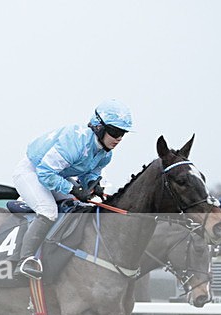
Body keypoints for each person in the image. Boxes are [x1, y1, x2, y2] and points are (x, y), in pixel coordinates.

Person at [12, 99, 133, 279]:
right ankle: (25, 260)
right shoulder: (75, 142)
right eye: (115, 132)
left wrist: (93, 185)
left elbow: (90, 173)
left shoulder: (105, 154)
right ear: (99, 127)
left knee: (81, 205)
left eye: (123, 133)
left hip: (57, 175)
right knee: (48, 211)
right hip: (31, 172)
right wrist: (74, 189)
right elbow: (45, 173)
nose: (119, 138)